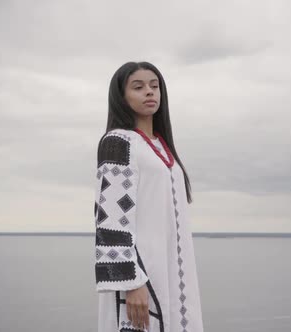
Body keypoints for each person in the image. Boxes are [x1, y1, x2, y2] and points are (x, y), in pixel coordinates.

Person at [93, 61, 204, 332]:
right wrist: (131, 283)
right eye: (139, 87)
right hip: (142, 275)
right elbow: (110, 219)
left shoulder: (162, 148)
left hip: (174, 272)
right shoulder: (119, 142)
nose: (149, 92)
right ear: (122, 96)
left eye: (155, 86)